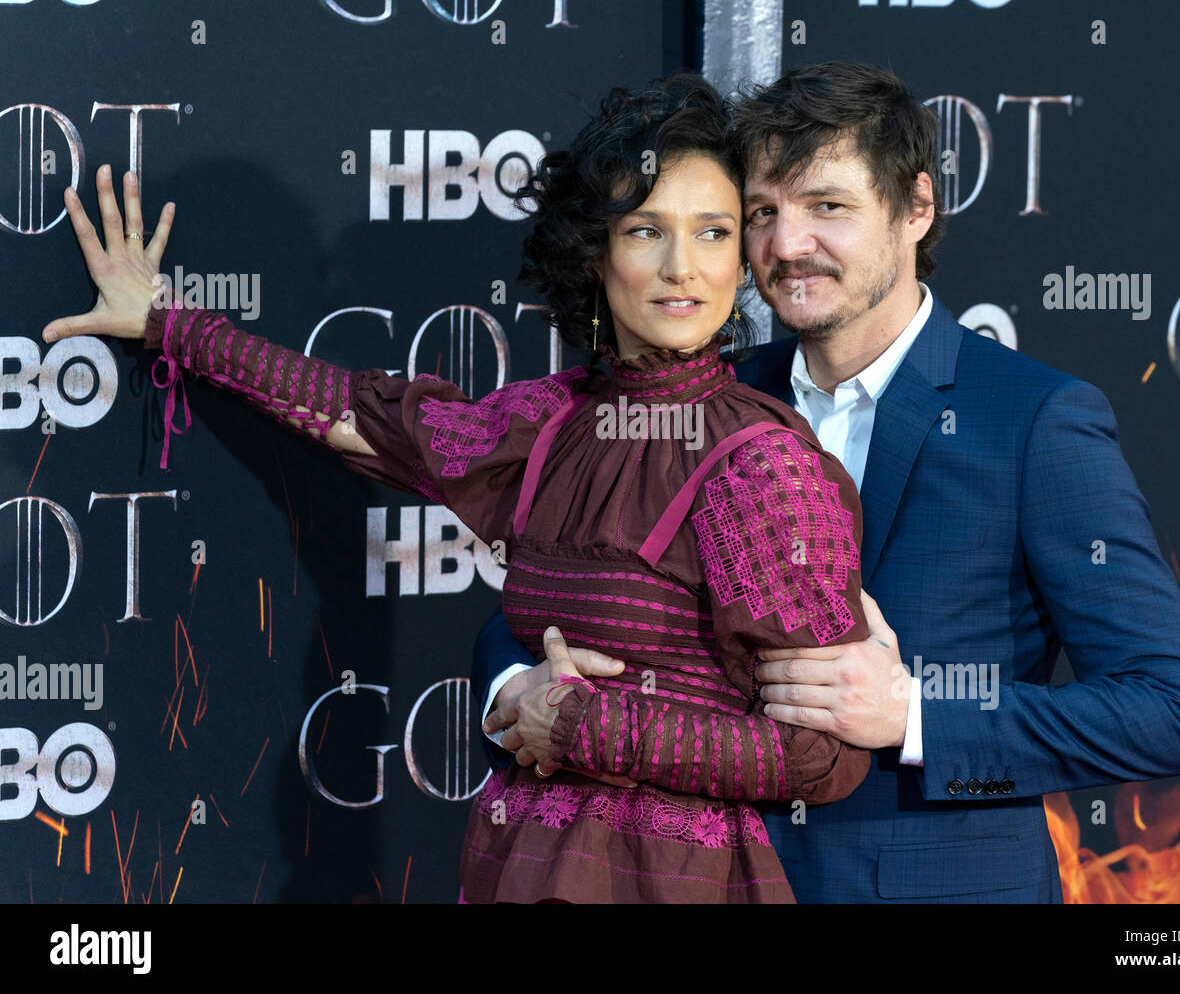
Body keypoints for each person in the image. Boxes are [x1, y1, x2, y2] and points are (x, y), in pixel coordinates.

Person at [46, 73, 876, 903]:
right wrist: (165, 321)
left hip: (672, 883)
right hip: (518, 864)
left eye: (713, 232)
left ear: (741, 256)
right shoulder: (548, 422)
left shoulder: (762, 465)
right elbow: (348, 413)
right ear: (596, 251)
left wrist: (590, 726)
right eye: (644, 230)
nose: (679, 267)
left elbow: (821, 757)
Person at [474, 60, 1180, 903]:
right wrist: (519, 685)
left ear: (916, 208)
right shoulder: (704, 396)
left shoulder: (1036, 420)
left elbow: (1168, 710)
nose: (787, 245)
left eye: (828, 206)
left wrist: (912, 715)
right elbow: (533, 605)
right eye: (762, 212)